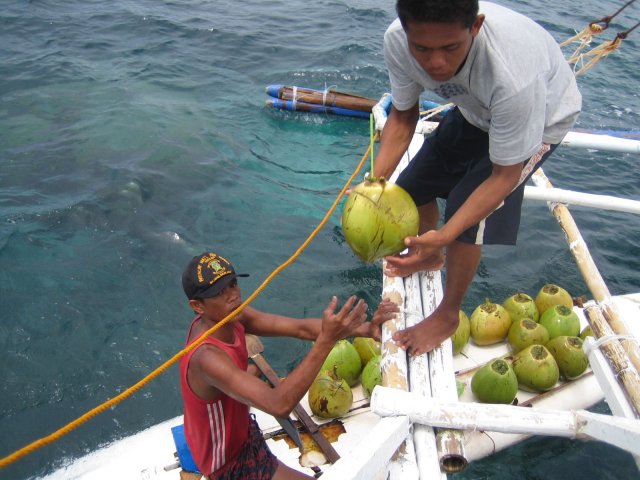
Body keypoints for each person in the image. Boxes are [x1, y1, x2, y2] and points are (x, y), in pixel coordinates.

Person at [373, 0, 581, 356]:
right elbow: (404, 116)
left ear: (475, 26)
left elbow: (503, 176)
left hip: (542, 120)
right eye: (421, 49)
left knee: (465, 218)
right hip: (476, 111)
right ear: (405, 31)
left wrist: (446, 235)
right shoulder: (396, 41)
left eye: (450, 48)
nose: (436, 64)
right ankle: (431, 256)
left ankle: (448, 314)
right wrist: (373, 183)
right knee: (408, 189)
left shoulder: (513, 76)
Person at [179, 251, 398, 479]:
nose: (232, 295)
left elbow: (299, 328)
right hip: (227, 463)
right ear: (197, 306)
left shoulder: (233, 316)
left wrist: (363, 330)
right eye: (219, 293)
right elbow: (279, 404)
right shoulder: (206, 357)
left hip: (243, 433)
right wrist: (326, 341)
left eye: (232, 284)